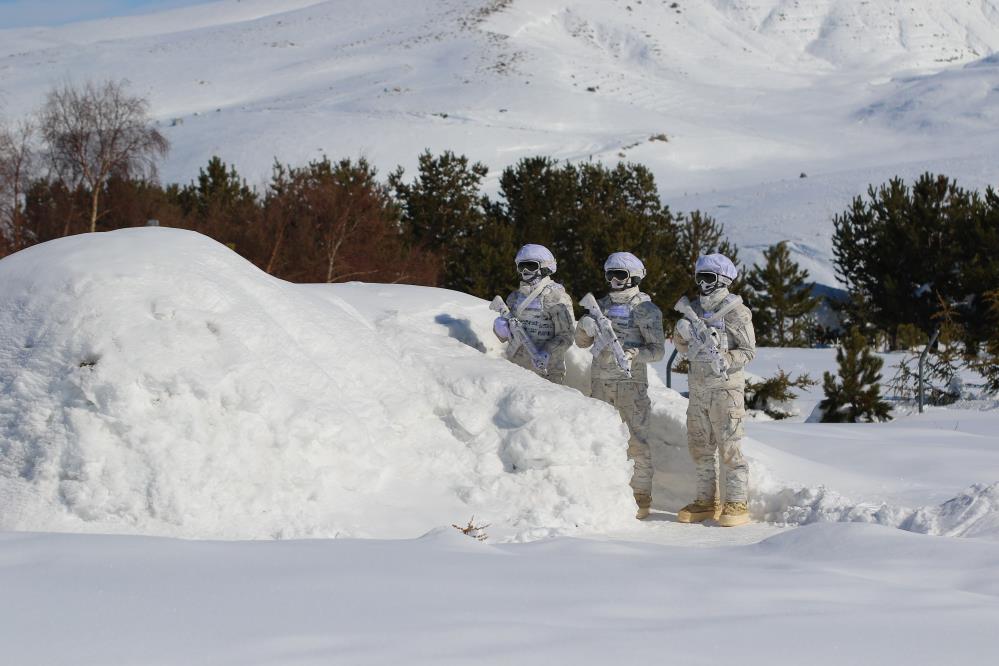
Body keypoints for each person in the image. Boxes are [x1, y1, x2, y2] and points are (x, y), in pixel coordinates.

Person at [575, 252, 665, 519]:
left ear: (634, 277)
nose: (614, 280)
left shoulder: (646, 310)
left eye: (621, 275)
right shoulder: (599, 305)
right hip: (601, 382)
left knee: (637, 441)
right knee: (601, 438)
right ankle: (605, 493)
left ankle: (640, 497)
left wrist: (636, 354)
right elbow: (581, 344)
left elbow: (658, 350)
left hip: (631, 384)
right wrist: (585, 327)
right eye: (610, 274)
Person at [672, 253, 756, 527]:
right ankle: (706, 501)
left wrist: (726, 358)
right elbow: (683, 350)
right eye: (700, 277)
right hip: (698, 391)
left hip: (725, 390)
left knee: (729, 446)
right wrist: (682, 336)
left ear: (722, 279)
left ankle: (736, 501)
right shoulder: (693, 309)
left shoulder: (736, 311)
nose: (702, 284)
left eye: (708, 278)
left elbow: (748, 350)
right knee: (700, 446)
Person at [492, 244, 576, 384]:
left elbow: (567, 335)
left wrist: (547, 352)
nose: (525, 270)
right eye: (521, 266)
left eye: (530, 265)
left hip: (546, 372)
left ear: (544, 267)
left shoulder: (555, 297)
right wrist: (500, 330)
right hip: (515, 369)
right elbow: (508, 336)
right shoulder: (515, 297)